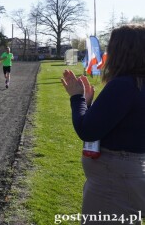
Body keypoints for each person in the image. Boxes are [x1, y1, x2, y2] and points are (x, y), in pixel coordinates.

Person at [61, 24, 145, 218]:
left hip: (114, 181)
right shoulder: (137, 84)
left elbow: (88, 130)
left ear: (121, 51)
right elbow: (109, 125)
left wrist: (76, 97)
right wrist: (87, 105)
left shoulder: (124, 85)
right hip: (128, 176)